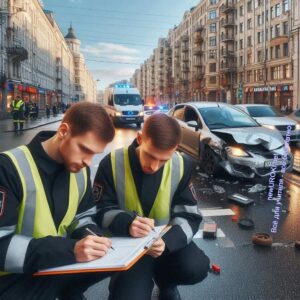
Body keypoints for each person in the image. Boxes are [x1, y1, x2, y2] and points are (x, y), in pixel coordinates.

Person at [0, 102, 115, 300]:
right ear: (63, 131)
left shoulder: (79, 171)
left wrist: (93, 238)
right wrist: (71, 250)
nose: (88, 162)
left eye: (94, 154)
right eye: (84, 149)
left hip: (56, 267)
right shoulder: (8, 167)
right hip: (14, 281)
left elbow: (84, 217)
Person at [94, 113, 210, 300]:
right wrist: (127, 224)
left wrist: (168, 242)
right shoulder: (112, 163)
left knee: (196, 267)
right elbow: (100, 210)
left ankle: (166, 282)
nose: (154, 166)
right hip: (128, 247)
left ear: (175, 149)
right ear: (140, 138)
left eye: (163, 160)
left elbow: (189, 215)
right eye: (150, 156)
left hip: (165, 245)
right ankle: (127, 282)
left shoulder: (181, 165)